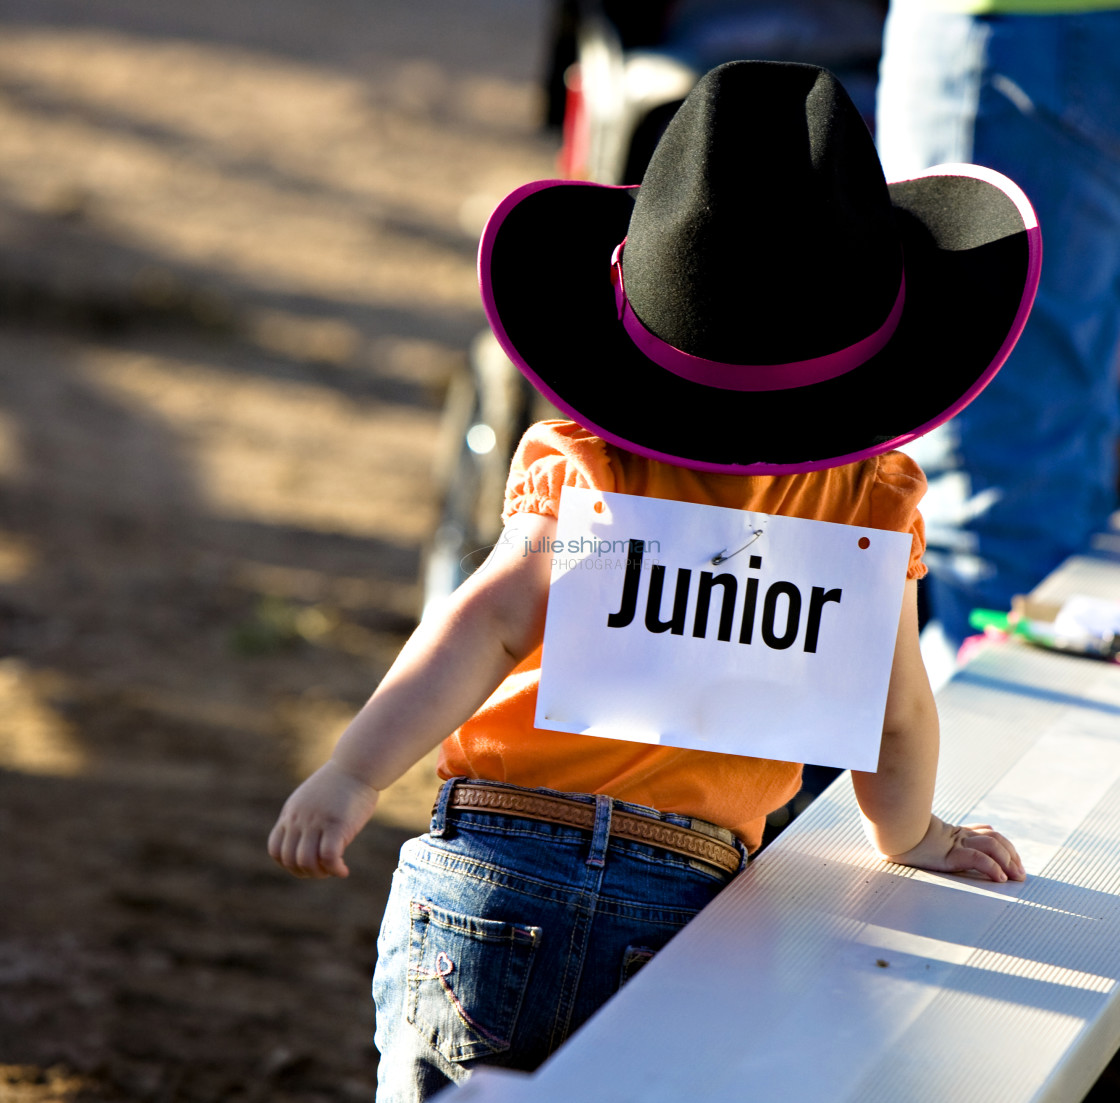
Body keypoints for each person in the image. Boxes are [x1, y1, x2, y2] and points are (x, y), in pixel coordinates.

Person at [268, 61, 1032, 1101]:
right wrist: (915, 833)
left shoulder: (587, 470)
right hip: (687, 900)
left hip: (493, 863)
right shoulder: (871, 506)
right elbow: (894, 717)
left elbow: (482, 626)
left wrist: (355, 772)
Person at [876, 0, 1120, 654]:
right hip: (1062, 38)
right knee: (1065, 446)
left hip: (1014, 30)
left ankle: (982, 749)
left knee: (989, 499)